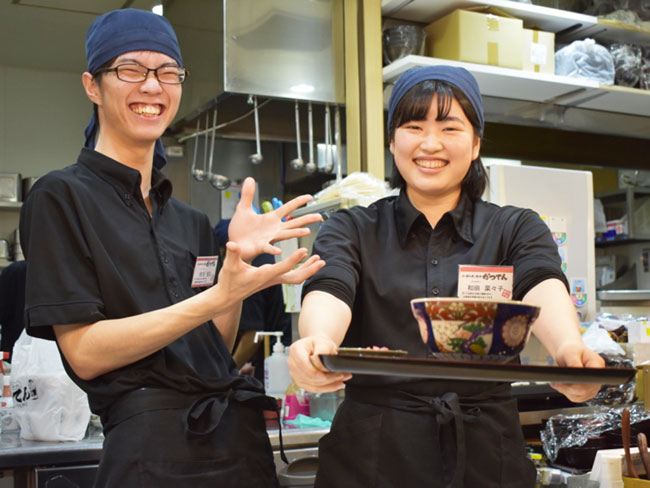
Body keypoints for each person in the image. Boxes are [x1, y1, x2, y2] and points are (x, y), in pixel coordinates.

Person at [19, 9, 324, 488]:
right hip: (148, 452)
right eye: (130, 70)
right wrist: (215, 298)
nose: (152, 86)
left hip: (236, 443)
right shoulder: (60, 198)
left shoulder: (191, 221)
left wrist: (235, 264)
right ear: (92, 85)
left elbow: (215, 345)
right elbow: (85, 353)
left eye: (167, 72)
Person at [288, 65, 604, 488]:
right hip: (372, 455)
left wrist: (568, 349)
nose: (430, 143)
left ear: (475, 144)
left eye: (450, 127)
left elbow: (541, 282)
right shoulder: (352, 228)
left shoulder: (515, 228)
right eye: (414, 126)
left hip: (486, 455)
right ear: (392, 141)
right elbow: (330, 288)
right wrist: (317, 343)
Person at [215, 219, 291, 380]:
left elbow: (253, 334)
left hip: (275, 365)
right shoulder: (269, 258)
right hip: (286, 353)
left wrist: (228, 371)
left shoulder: (247, 270)